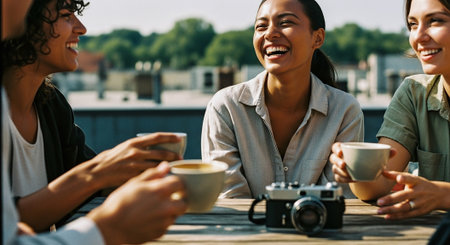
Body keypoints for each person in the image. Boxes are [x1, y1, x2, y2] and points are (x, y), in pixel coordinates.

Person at [2, 0, 187, 244]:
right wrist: (96, 173)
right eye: (67, 15)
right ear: (24, 20)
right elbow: (9, 225)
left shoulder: (51, 105)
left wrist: (138, 171)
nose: (81, 28)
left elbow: (88, 189)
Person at [201, 0, 364, 198]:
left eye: (285, 23)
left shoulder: (344, 111)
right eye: (261, 26)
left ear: (318, 38)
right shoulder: (226, 107)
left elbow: (336, 198)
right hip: (244, 229)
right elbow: (230, 199)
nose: (270, 34)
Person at [329, 0, 450, 221]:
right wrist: (357, 170)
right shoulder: (414, 93)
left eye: (435, 21)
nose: (419, 37)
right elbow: (377, 187)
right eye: (413, 24)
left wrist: (444, 195)